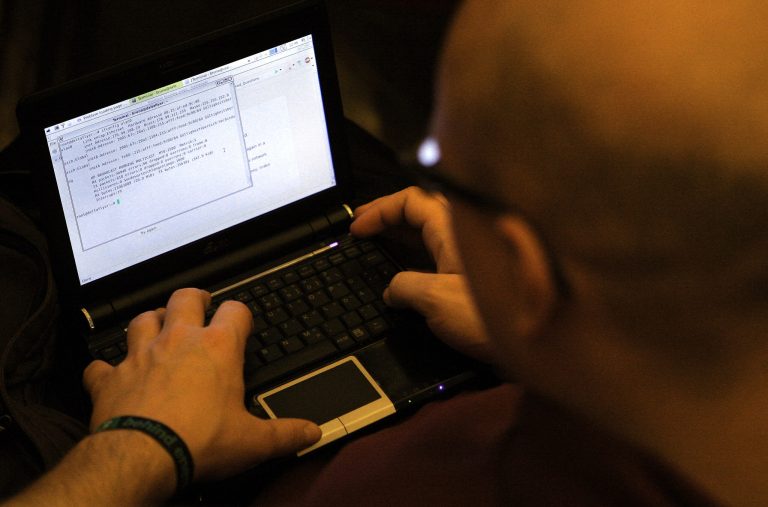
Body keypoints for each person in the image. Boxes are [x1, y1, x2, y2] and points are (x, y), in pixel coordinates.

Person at [6, 0, 768, 504]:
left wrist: (144, 443)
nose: (426, 188)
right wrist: (526, 339)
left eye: (439, 168)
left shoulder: (400, 484)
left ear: (528, 276)